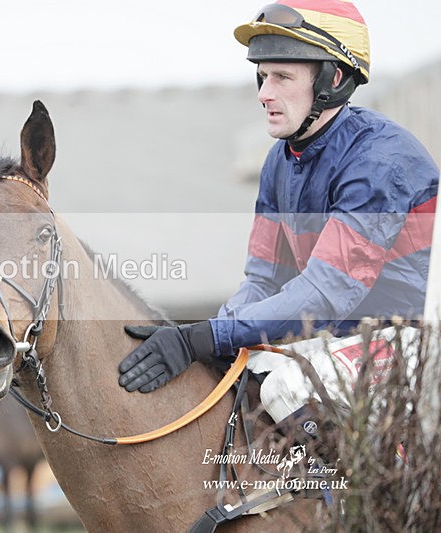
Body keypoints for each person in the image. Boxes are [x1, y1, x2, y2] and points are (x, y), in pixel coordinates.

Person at [118, 0, 439, 431]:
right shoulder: (279, 161)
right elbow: (263, 281)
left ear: (334, 79)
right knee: (238, 374)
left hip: (419, 340)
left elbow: (325, 292)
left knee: (285, 386)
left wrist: (207, 336)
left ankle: (370, 498)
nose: (264, 93)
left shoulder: (381, 161)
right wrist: (209, 336)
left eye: (282, 77)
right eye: (263, 75)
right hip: (347, 341)